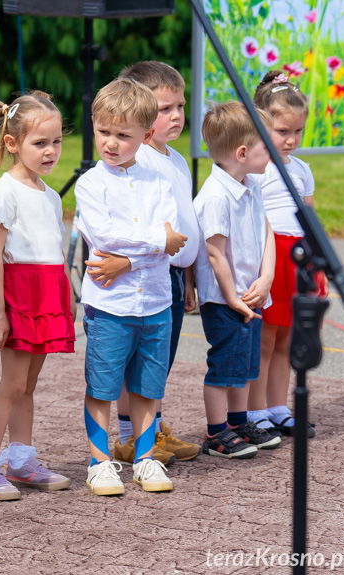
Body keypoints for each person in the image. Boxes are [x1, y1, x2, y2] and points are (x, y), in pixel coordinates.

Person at [75, 78, 186, 496]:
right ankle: (99, 461)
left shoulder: (160, 184)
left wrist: (132, 258)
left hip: (156, 301)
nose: (111, 143)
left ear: (146, 135)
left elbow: (173, 241)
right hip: (110, 305)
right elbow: (105, 236)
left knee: (147, 387)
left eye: (123, 135)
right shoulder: (90, 184)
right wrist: (156, 243)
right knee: (101, 386)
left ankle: (144, 458)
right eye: (104, 132)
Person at [92, 61, 201, 464]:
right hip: (143, 272)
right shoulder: (139, 163)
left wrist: (189, 274)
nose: (174, 116)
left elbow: (183, 220)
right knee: (135, 363)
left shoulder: (172, 158)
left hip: (171, 274)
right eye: (163, 108)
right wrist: (127, 263)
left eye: (180, 106)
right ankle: (129, 436)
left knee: (160, 361)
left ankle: (152, 427)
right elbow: (128, 228)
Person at [0, 92, 75, 501]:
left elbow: (57, 253)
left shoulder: (50, 195)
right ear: (12, 143)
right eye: (39, 143)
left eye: (56, 142)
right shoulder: (4, 191)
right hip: (18, 296)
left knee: (29, 384)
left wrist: (65, 299)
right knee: (11, 385)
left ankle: (22, 459)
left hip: (47, 296)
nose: (50, 151)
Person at [194, 101, 281, 459]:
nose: (273, 149)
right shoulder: (215, 197)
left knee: (245, 365)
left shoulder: (252, 186)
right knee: (225, 365)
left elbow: (265, 232)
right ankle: (216, 433)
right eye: (266, 142)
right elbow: (216, 254)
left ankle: (238, 420)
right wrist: (232, 297)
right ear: (242, 152)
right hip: (226, 299)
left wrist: (266, 278)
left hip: (252, 293)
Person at [249, 70, 319, 437]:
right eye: (282, 132)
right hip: (269, 255)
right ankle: (255, 409)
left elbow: (308, 218)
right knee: (264, 337)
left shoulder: (303, 170)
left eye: (297, 132)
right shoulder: (257, 172)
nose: (290, 140)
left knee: (287, 338)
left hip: (296, 258)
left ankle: (278, 406)